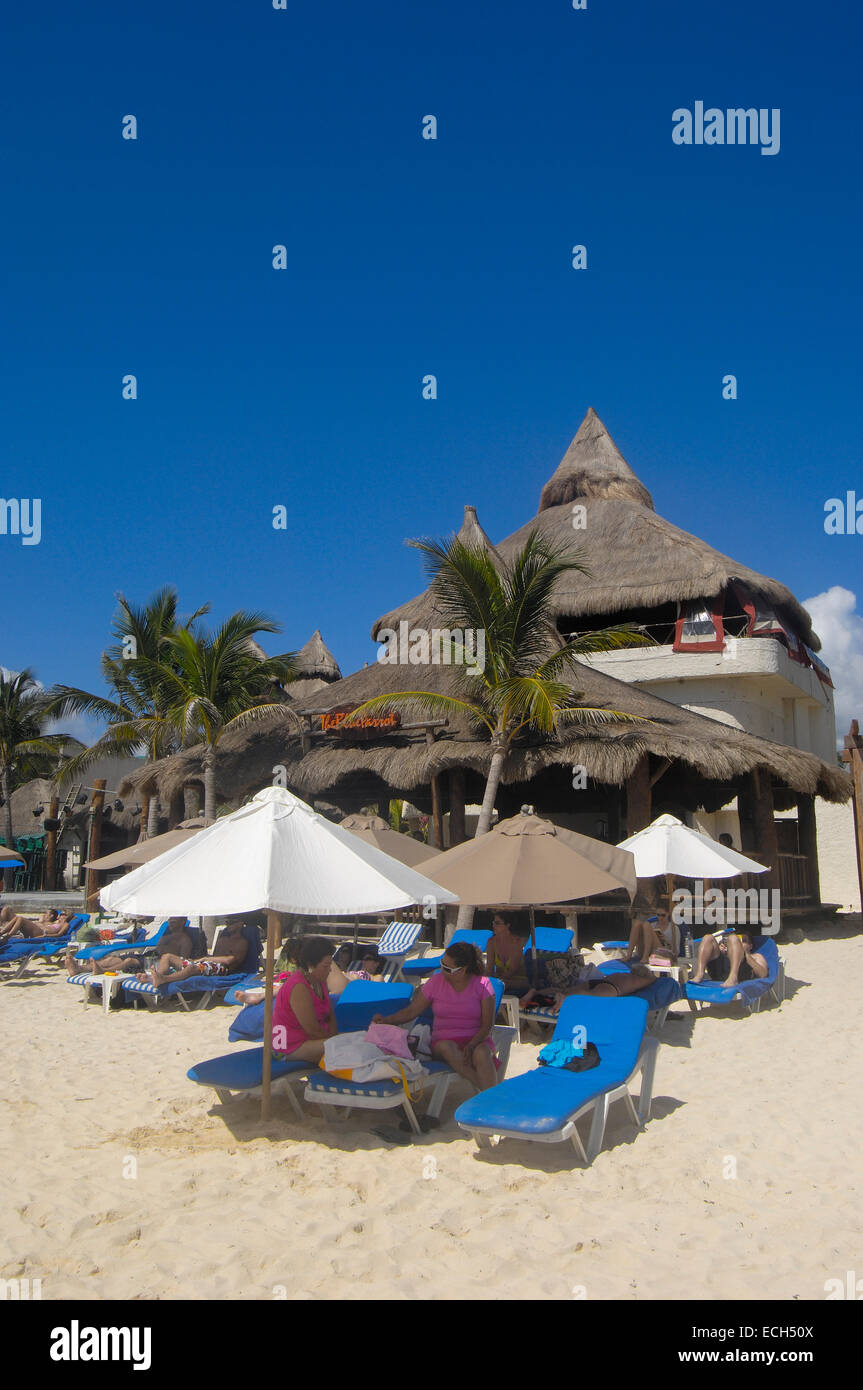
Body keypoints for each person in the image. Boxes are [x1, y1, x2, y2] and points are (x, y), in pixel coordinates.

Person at [372, 942, 499, 1091]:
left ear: (462, 970)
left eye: (446, 968)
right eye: (441, 964)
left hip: (476, 1040)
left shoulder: (483, 985)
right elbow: (412, 1011)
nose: (441, 970)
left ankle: (489, 1099)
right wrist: (386, 1020)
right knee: (447, 1047)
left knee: (482, 1053)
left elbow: (487, 1025)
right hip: (443, 1043)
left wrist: (471, 1045)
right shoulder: (436, 982)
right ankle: (489, 1093)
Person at [271, 936, 337, 1062]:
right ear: (310, 965)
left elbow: (330, 1016)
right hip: (286, 1047)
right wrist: (334, 1040)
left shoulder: (319, 981)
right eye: (325, 966)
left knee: (352, 1041)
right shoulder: (299, 987)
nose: (329, 970)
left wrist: (333, 1037)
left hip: (309, 1041)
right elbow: (312, 1030)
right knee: (344, 1046)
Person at [67, 917, 193, 978]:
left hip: (160, 962)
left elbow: (183, 960)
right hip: (150, 956)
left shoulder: (185, 939)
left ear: (183, 922)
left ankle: (102, 971)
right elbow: (156, 947)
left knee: (129, 961)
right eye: (170, 920)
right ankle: (80, 968)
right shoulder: (167, 935)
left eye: (174, 921)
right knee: (112, 959)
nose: (170, 922)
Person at [137, 919, 249, 988]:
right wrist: (205, 959)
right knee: (167, 957)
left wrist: (205, 958)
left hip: (222, 969)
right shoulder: (222, 939)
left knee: (191, 968)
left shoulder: (242, 942)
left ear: (240, 924)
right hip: (208, 963)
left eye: (232, 922)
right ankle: (155, 978)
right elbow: (214, 955)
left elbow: (230, 960)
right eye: (227, 922)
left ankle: (164, 979)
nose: (228, 925)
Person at [688, 930, 768, 988]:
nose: (739, 943)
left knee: (732, 937)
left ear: (750, 946)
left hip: (741, 976)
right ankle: (700, 974)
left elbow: (763, 974)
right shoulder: (727, 952)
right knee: (708, 938)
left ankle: (733, 977)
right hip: (719, 974)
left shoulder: (756, 956)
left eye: (743, 941)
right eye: (739, 940)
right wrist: (720, 951)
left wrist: (746, 955)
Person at [485, 910, 531, 996]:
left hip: (518, 981)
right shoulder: (491, 942)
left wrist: (496, 982)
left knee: (501, 985)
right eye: (493, 922)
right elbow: (489, 967)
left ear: (507, 925)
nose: (493, 925)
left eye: (497, 923)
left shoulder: (517, 942)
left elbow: (513, 970)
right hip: (501, 981)